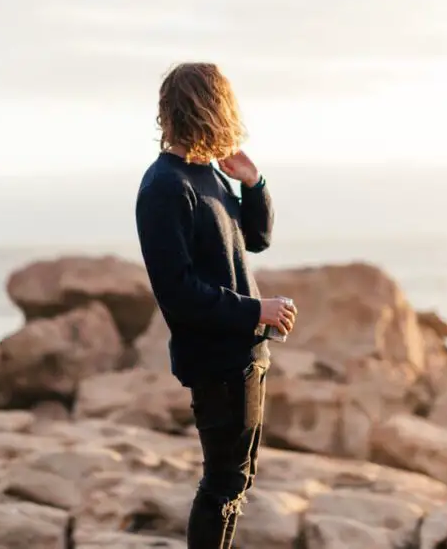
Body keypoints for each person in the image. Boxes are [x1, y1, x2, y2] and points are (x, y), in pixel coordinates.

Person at [135, 62, 297, 548]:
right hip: (216, 361)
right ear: (211, 108)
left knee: (236, 483)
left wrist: (253, 182)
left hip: (245, 356)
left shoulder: (207, 174)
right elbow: (178, 294)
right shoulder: (165, 186)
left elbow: (256, 239)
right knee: (224, 484)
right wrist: (257, 311)